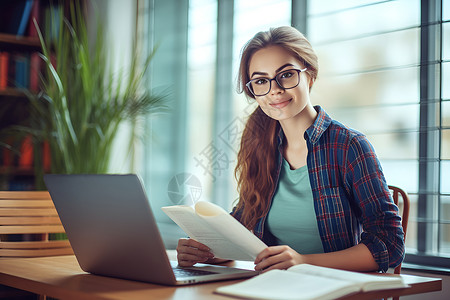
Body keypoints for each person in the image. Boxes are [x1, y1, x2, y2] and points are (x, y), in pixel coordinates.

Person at [176, 26, 405, 273]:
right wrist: (206, 250)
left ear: (310, 76)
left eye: (286, 75)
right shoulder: (260, 145)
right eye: (261, 81)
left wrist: (303, 262)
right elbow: (242, 227)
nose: (274, 90)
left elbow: (390, 244)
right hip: (274, 287)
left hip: (336, 290)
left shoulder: (349, 147)